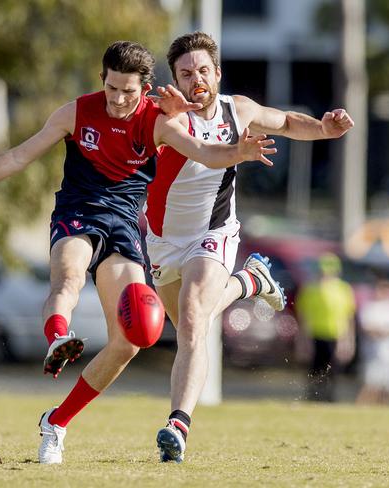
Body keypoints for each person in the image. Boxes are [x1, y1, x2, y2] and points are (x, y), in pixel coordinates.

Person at [0, 40, 277, 465]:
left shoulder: (158, 122)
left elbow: (204, 152)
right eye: (112, 89)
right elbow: (17, 156)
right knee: (68, 275)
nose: (119, 100)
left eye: (129, 92)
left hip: (125, 226)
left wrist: (239, 153)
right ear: (102, 79)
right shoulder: (75, 112)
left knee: (131, 340)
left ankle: (56, 422)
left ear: (146, 88)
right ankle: (58, 338)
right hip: (78, 212)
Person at [143, 32, 355, 463]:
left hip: (214, 232)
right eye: (186, 73)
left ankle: (177, 425)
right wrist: (236, 152)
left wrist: (325, 129)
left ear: (217, 72)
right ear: (176, 80)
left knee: (191, 320)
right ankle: (249, 282)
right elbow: (204, 152)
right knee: (185, 322)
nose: (196, 79)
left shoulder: (238, 110)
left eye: (203, 70)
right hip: (163, 241)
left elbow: (287, 122)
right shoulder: (166, 117)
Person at [296, 253, 356, 403]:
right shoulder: (310, 289)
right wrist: (303, 341)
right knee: (315, 370)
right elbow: (304, 317)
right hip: (315, 334)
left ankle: (329, 398)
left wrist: (347, 341)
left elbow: (348, 318)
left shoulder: (344, 289)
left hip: (335, 335)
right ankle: (313, 397)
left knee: (332, 371)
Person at [356, 279, 389, 405]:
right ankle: (361, 406)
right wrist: (386, 332)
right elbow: (367, 329)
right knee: (371, 383)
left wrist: (386, 332)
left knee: (388, 385)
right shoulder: (370, 307)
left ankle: (385, 408)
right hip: (374, 352)